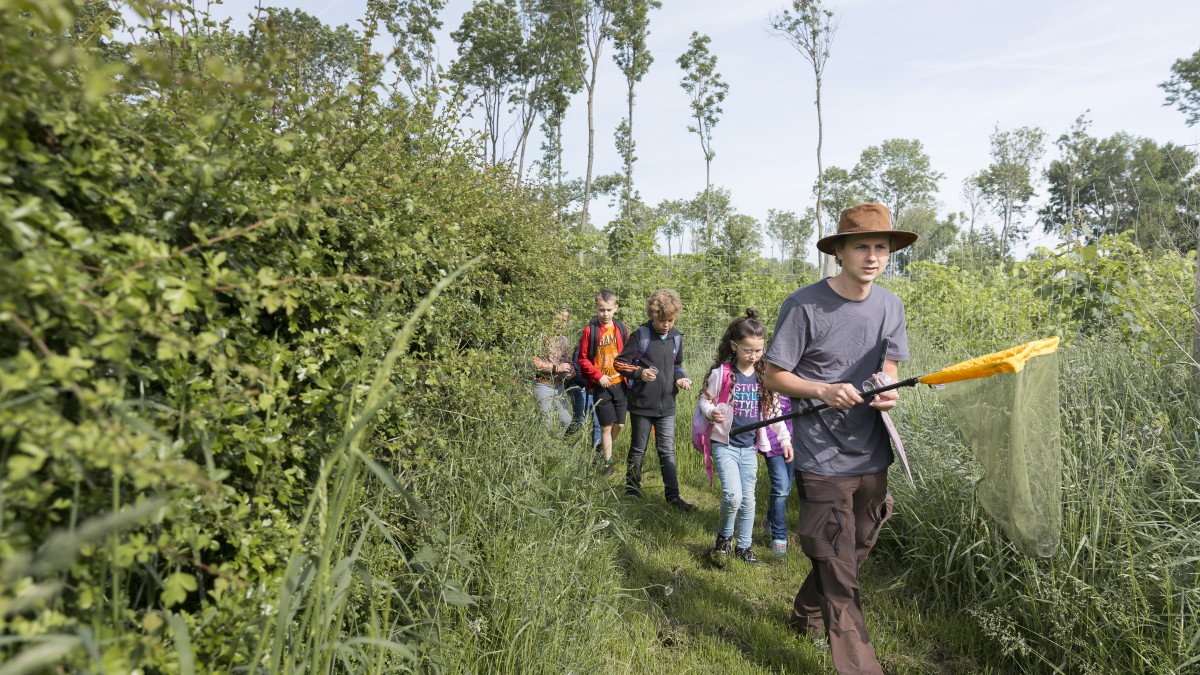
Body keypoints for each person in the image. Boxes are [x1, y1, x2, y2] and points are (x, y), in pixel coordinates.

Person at [763, 203, 916, 675]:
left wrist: (885, 390)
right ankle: (861, 666)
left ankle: (807, 611)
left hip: (873, 451)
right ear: (840, 252)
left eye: (881, 248)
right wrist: (822, 390)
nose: (872, 256)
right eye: (862, 246)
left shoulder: (891, 304)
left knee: (853, 550)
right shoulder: (804, 304)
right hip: (822, 455)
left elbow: (889, 365)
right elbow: (773, 374)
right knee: (837, 561)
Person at [697, 309, 793, 566]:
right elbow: (704, 401)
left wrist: (784, 439)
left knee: (749, 500)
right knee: (732, 496)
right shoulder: (723, 373)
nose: (753, 356)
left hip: (749, 448)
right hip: (724, 444)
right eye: (748, 350)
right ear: (734, 346)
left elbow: (773, 413)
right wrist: (712, 411)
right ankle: (723, 541)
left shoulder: (764, 377)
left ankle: (744, 547)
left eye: (759, 350)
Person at [614, 289, 696, 510]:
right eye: (661, 320)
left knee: (667, 450)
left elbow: (677, 366)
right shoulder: (641, 335)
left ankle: (673, 497)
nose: (666, 325)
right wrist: (640, 373)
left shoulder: (676, 337)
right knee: (638, 448)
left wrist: (681, 379)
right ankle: (632, 491)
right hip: (642, 404)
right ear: (653, 315)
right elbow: (620, 363)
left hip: (667, 404)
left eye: (670, 320)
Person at [576, 290, 629, 476]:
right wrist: (598, 376)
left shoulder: (621, 329)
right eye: (601, 310)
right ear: (595, 308)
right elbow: (583, 359)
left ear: (616, 308)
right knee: (606, 426)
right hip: (601, 385)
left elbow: (628, 355)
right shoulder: (590, 331)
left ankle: (600, 449)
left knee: (620, 425)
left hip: (620, 383)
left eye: (608, 310)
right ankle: (608, 464)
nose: (605, 314)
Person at [531, 305, 574, 431]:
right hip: (543, 384)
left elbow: (568, 360)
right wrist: (556, 368)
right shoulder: (541, 338)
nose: (561, 323)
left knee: (566, 421)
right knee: (546, 423)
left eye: (564, 320)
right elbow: (535, 363)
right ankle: (544, 446)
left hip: (559, 386)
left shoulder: (564, 340)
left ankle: (563, 446)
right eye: (558, 319)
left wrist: (570, 370)